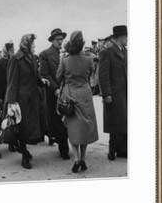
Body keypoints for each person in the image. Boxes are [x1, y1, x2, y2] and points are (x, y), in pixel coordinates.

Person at [5, 34, 50, 169]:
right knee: (21, 128)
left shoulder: (31, 58)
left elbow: (35, 76)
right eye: (33, 44)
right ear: (27, 45)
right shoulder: (16, 59)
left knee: (29, 128)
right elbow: (11, 82)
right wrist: (11, 101)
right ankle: (24, 156)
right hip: (21, 100)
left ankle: (24, 152)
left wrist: (42, 81)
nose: (35, 47)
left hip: (32, 98)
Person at [57, 31, 99, 172]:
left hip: (70, 95)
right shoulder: (88, 60)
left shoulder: (65, 60)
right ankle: (83, 159)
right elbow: (91, 74)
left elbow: (58, 76)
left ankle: (76, 159)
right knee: (85, 128)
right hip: (85, 95)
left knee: (73, 129)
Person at [39, 28, 70, 159]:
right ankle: (63, 149)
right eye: (58, 39)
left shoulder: (67, 53)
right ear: (52, 40)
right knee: (57, 121)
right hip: (54, 93)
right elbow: (45, 74)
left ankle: (63, 144)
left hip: (67, 91)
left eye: (61, 39)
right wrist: (55, 89)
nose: (60, 41)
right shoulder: (45, 54)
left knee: (68, 119)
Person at [98, 25, 128, 160]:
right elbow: (103, 75)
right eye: (126, 36)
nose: (127, 39)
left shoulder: (125, 51)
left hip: (125, 92)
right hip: (114, 93)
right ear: (120, 37)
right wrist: (106, 94)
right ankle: (112, 149)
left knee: (124, 122)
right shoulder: (107, 52)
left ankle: (123, 149)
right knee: (115, 123)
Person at [0, 41, 14, 121]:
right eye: (12, 50)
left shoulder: (13, 61)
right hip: (3, 93)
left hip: (12, 92)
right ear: (7, 51)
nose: (13, 52)